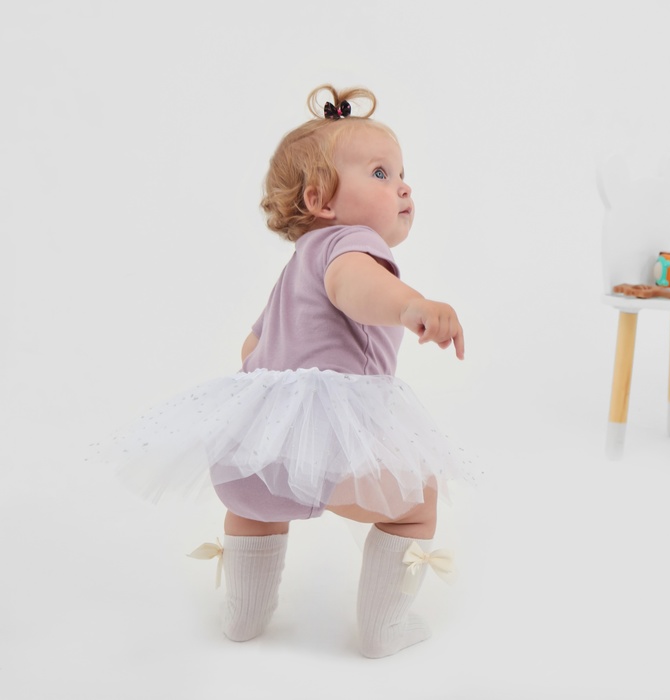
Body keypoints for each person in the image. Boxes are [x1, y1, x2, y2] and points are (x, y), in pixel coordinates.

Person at [103, 85, 474, 658]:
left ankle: (244, 620)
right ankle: (384, 629)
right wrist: (409, 305)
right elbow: (355, 287)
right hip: (329, 446)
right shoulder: (353, 244)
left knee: (253, 514)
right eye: (380, 174)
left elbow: (253, 343)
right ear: (320, 199)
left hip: (251, 448)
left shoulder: (298, 264)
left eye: (402, 174)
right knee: (416, 500)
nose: (403, 186)